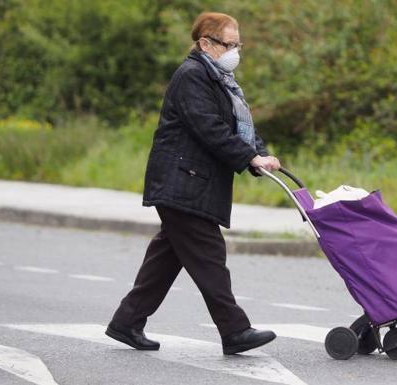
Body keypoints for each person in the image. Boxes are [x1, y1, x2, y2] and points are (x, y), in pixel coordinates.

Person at [105, 11, 280, 355]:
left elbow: (237, 124)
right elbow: (210, 128)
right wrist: (248, 158)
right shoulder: (192, 76)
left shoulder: (219, 80)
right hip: (181, 183)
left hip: (193, 183)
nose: (236, 51)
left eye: (238, 44)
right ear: (205, 43)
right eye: (229, 44)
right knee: (209, 256)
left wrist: (259, 154)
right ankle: (235, 330)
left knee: (165, 259)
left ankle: (126, 322)